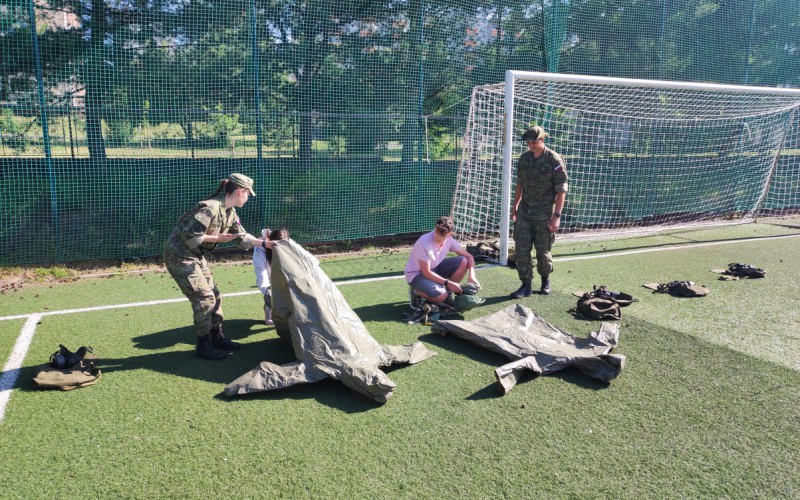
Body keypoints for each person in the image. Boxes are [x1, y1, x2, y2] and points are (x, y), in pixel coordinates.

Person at [163, 173, 273, 360]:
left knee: (215, 295)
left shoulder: (230, 212)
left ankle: (217, 337)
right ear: (240, 192)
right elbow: (189, 236)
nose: (248, 198)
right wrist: (218, 238)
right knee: (204, 299)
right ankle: (203, 345)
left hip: (195, 256)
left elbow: (242, 236)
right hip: (179, 256)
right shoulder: (209, 209)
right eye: (248, 194)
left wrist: (266, 244)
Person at [510, 126, 568, 298]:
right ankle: (526, 285)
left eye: (534, 142)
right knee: (521, 248)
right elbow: (520, 183)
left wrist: (556, 217)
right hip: (525, 211)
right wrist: (515, 207)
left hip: (545, 213)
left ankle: (545, 280)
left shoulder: (554, 160)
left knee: (542, 250)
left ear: (542, 140)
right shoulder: (524, 159)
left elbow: (561, 190)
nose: (530, 145)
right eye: (528, 142)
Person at [404, 216, 480, 307]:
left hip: (434, 269)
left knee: (464, 261)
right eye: (437, 232)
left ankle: (448, 295)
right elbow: (426, 272)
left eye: (442, 235)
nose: (438, 237)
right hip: (416, 275)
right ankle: (416, 292)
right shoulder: (423, 242)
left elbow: (469, 256)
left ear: (450, 234)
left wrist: (472, 276)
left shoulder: (449, 240)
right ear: (435, 228)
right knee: (441, 296)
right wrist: (448, 283)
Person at [252, 227, 289, 326]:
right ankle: (268, 309)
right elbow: (262, 280)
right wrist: (270, 297)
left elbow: (310, 259)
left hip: (280, 268)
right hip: (267, 271)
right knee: (271, 290)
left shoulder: (287, 244)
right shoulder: (259, 253)